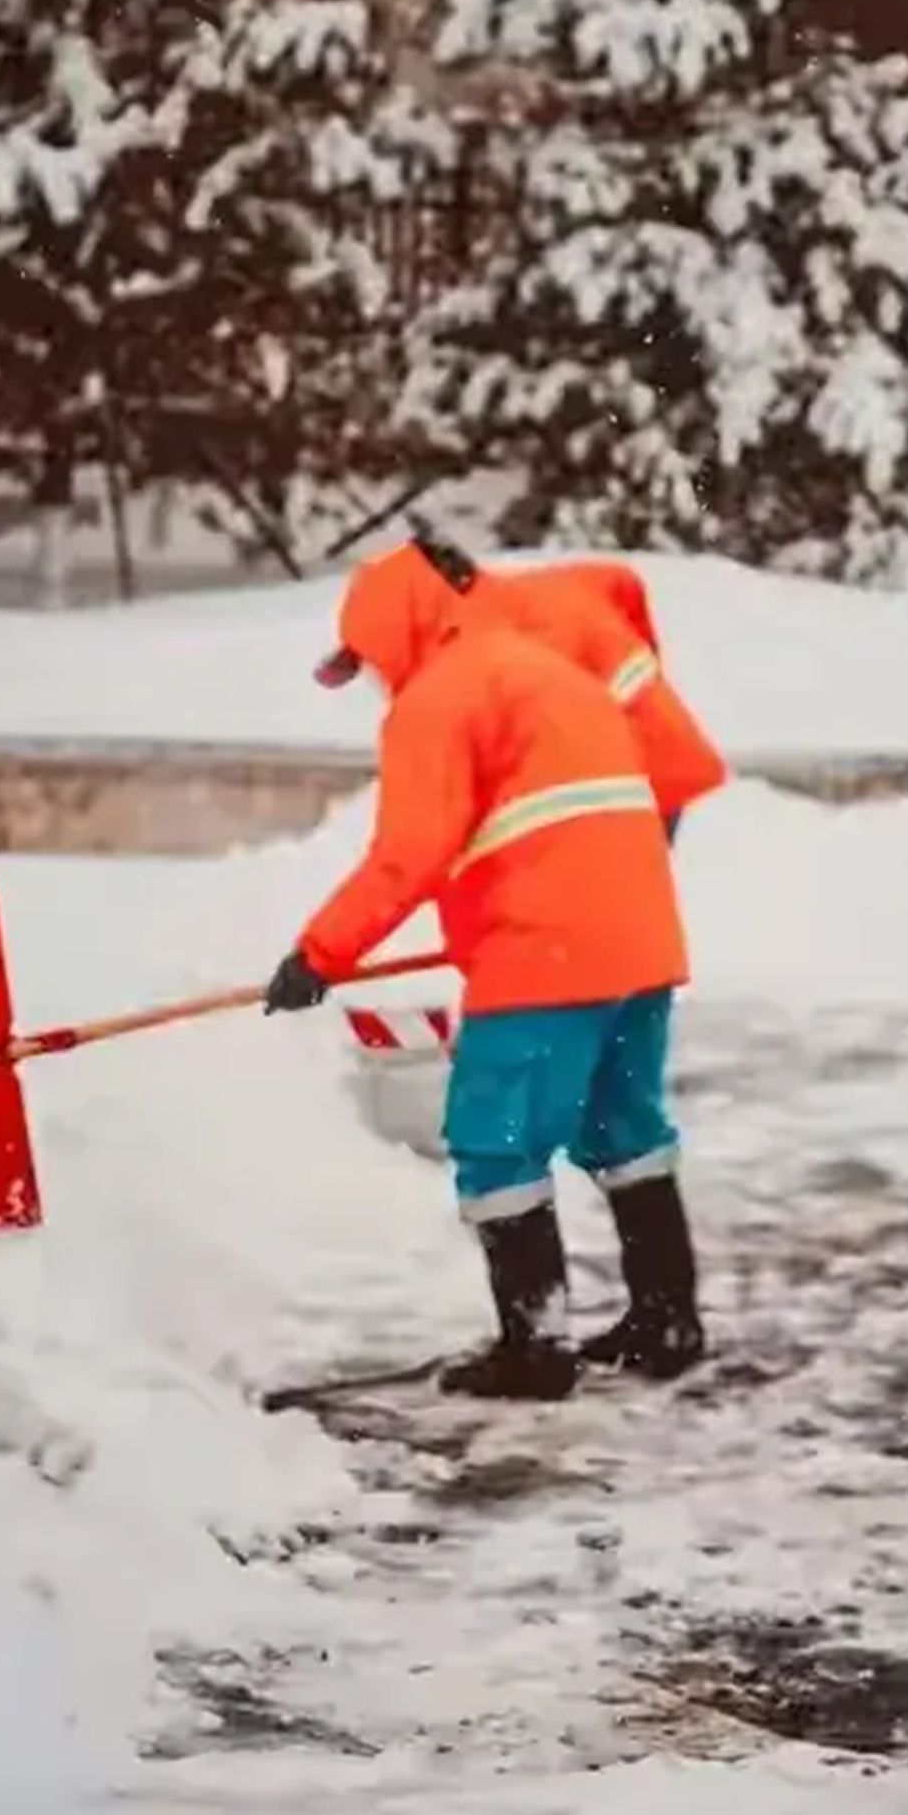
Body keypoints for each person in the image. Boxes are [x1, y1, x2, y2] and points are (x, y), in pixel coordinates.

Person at [273, 542, 702, 1397]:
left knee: (492, 1137)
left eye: (368, 659)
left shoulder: (439, 696)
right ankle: (667, 1317)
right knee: (625, 1124)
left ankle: (533, 1349)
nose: (374, 678)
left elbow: (407, 854)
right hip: (640, 940)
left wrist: (318, 954)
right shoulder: (548, 672)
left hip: (545, 953)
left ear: (397, 628)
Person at [366, 530, 728, 842]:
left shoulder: (490, 645)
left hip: (629, 781)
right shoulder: (525, 595)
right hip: (654, 753)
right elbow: (620, 581)